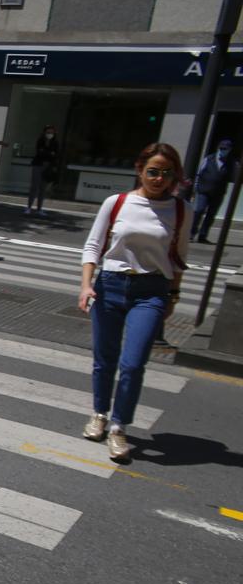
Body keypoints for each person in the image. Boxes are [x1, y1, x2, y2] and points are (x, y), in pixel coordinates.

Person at [78, 143, 189, 463]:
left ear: (174, 177)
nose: (158, 178)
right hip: (110, 285)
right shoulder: (117, 203)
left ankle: (118, 427)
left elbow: (179, 258)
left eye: (166, 173)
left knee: (133, 363)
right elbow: (93, 247)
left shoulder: (181, 210)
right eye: (152, 171)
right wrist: (86, 286)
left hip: (151, 290)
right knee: (105, 358)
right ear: (140, 170)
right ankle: (99, 412)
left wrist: (173, 295)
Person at [191, 138, 238, 244]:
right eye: (221, 148)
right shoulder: (209, 159)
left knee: (211, 214)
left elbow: (234, 177)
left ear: (229, 150)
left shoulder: (231, 163)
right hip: (203, 190)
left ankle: (203, 235)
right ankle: (191, 233)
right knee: (199, 210)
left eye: (225, 149)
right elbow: (199, 173)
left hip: (218, 193)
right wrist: (195, 188)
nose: (222, 150)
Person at [27, 125, 59, 216]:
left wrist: (48, 154)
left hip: (48, 167)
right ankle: (28, 207)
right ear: (44, 133)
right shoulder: (40, 141)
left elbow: (55, 155)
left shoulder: (55, 142)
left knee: (43, 188)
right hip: (38, 165)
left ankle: (39, 209)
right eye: (48, 132)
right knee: (34, 187)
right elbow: (40, 152)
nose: (50, 134)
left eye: (52, 132)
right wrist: (49, 153)